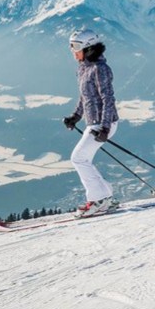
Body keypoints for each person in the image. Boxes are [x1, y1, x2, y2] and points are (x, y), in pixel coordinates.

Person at [61, 28, 120, 216]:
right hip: (95, 123)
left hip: (102, 123)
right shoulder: (84, 68)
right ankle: (105, 196)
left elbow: (107, 98)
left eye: (76, 47)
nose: (73, 51)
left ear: (89, 48)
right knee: (82, 159)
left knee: (78, 158)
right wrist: (76, 116)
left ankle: (97, 200)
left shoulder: (100, 69)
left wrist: (105, 126)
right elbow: (85, 96)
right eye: (71, 47)